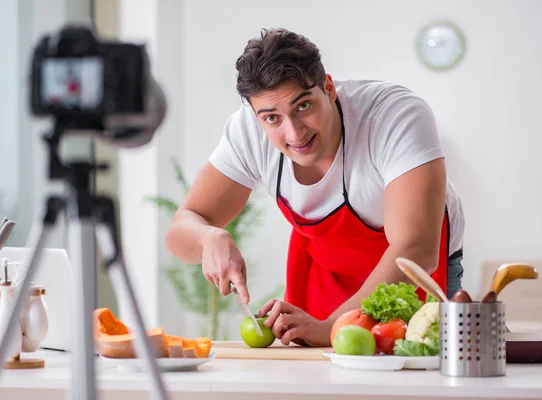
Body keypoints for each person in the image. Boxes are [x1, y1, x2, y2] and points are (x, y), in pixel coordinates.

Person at [165, 28, 465, 347]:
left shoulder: (394, 116)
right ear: (255, 117)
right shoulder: (248, 132)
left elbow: (416, 248)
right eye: (271, 118)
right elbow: (180, 232)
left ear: (329, 88)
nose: (294, 132)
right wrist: (209, 237)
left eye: (304, 106)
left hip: (407, 276)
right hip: (324, 277)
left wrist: (334, 326)